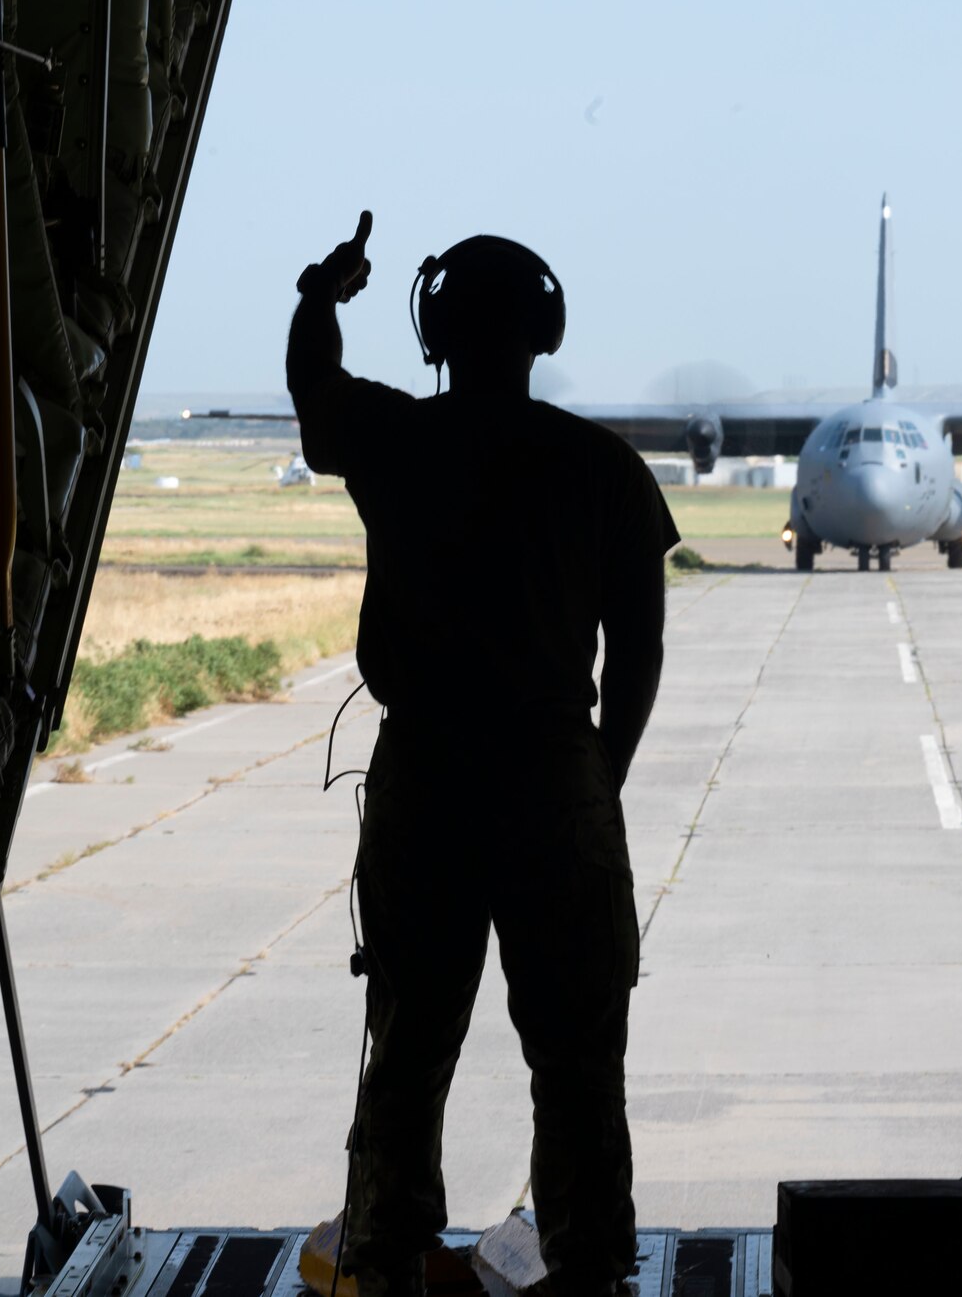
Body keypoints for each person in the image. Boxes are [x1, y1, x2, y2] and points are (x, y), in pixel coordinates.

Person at [286, 212, 677, 1297]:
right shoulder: (600, 466)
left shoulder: (395, 439)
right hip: (555, 772)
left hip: (424, 777)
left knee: (407, 1045)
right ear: (542, 332)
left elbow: (314, 382)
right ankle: (589, 1267)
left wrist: (323, 292)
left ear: (434, 331)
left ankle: (382, 1257)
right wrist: (600, 770)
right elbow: (638, 646)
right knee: (578, 1057)